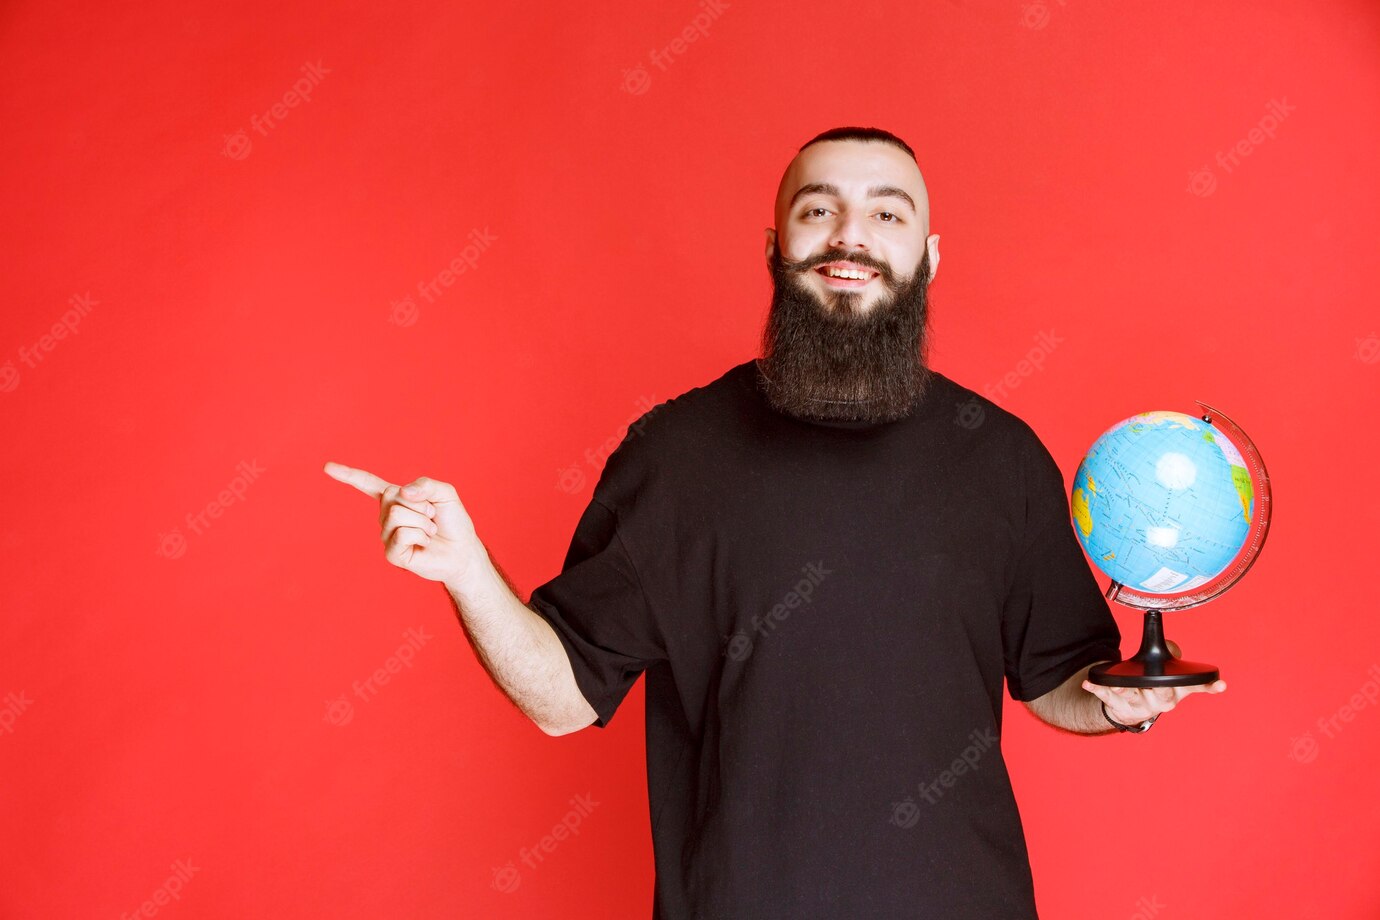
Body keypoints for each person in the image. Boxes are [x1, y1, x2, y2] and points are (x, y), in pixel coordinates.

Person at [324, 126, 1227, 918]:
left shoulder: (998, 456)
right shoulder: (674, 457)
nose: (851, 236)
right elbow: (563, 703)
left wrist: (1121, 705)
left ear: (930, 254)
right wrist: (468, 570)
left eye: (887, 214)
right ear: (774, 245)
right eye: (818, 209)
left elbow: (1055, 685)